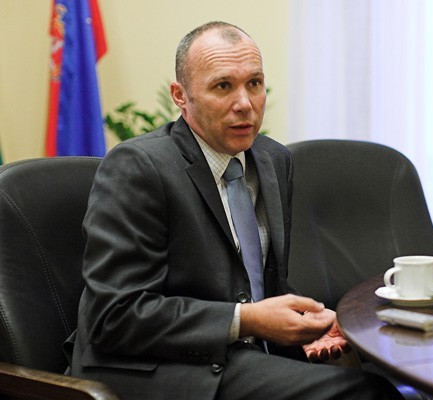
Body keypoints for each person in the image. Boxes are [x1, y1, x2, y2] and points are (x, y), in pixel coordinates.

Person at [67, 21, 403, 400]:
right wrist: (246, 320)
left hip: (242, 354)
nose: (244, 103)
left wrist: (310, 318)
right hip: (155, 368)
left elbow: (254, 281)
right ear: (180, 96)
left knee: (385, 371)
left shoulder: (273, 160)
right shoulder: (139, 167)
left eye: (254, 83)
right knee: (364, 394)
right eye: (223, 86)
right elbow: (114, 316)